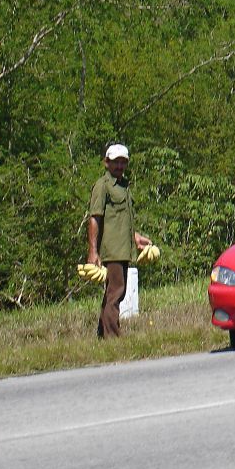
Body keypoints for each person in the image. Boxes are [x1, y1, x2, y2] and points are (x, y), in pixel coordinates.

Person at [87, 143, 152, 338]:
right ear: (106, 163)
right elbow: (94, 218)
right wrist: (93, 251)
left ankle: (102, 334)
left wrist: (136, 238)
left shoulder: (124, 186)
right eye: (116, 162)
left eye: (123, 162)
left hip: (124, 248)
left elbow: (122, 220)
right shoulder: (103, 186)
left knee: (116, 292)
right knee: (116, 291)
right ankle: (112, 337)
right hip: (112, 248)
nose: (120, 166)